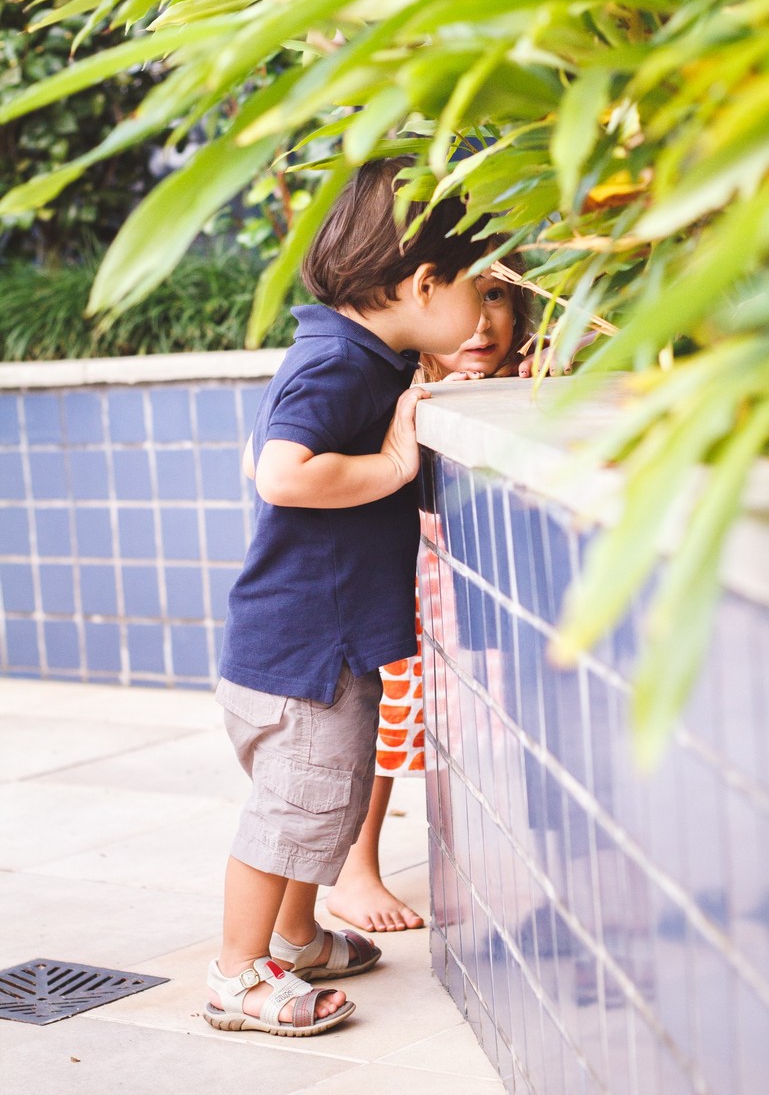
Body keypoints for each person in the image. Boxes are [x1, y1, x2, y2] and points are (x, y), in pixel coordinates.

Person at [205, 156, 496, 1037]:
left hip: (314, 644)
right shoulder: (336, 361)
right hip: (306, 653)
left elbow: (262, 452)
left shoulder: (348, 352)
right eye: (480, 292)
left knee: (320, 808)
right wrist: (396, 466)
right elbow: (284, 474)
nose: (485, 314)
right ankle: (236, 974)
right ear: (424, 281)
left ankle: (296, 940)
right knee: (291, 814)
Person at [327, 265, 535, 933]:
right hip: (403, 576)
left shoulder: (530, 381)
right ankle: (355, 867)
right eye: (467, 298)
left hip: (478, 585)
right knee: (386, 712)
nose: (481, 320)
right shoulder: (396, 383)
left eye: (497, 297)